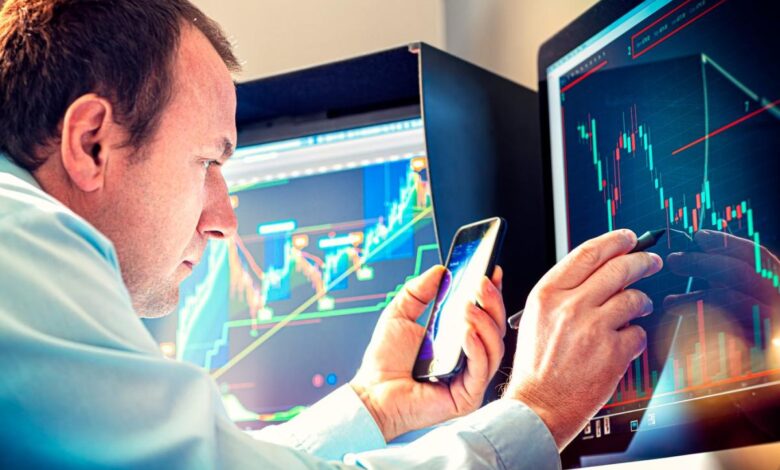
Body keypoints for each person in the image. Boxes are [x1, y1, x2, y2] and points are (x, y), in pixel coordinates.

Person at [0, 1, 665, 468]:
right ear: (92, 142)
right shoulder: (24, 252)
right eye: (207, 162)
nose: (225, 219)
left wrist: (375, 407)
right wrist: (540, 412)